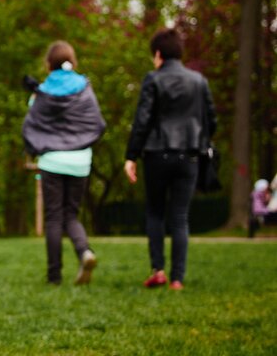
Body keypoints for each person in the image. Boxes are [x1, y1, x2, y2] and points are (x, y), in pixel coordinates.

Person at [124, 28, 217, 290]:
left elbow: (142, 120)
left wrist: (131, 156)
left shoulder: (153, 80)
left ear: (158, 53)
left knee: (155, 212)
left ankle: (158, 270)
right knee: (180, 216)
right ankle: (177, 278)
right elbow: (211, 119)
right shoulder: (199, 81)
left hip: (156, 153)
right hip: (189, 155)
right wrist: (198, 141)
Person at [22, 41, 106, 285]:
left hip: (52, 161)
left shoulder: (42, 91)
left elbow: (32, 121)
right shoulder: (85, 88)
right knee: (71, 214)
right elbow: (97, 121)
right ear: (73, 62)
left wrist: (36, 147)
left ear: (48, 65)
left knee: (54, 217)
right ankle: (84, 252)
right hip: (80, 161)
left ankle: (54, 275)